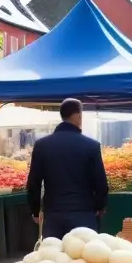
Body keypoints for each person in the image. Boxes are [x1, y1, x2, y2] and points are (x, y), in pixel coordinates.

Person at [27, 98, 109, 239]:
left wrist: (35, 211)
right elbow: (100, 182)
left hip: (54, 215)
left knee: (54, 256)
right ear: (78, 116)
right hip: (83, 214)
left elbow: (33, 183)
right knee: (84, 257)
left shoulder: (42, 145)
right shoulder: (91, 146)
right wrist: (100, 206)